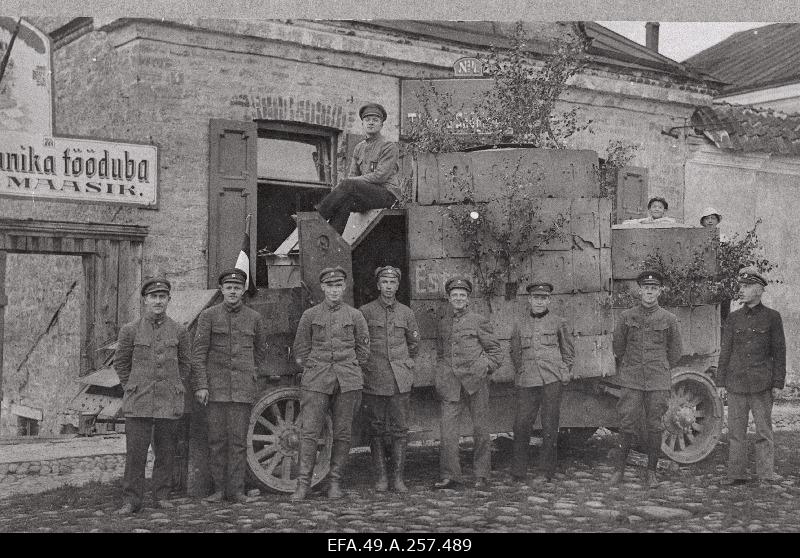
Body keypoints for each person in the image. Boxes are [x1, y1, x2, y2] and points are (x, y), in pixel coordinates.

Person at [291, 266, 370, 501]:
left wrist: (351, 367)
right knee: (309, 432)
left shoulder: (355, 316)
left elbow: (364, 350)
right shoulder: (310, 316)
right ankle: (303, 484)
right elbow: (300, 349)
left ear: (344, 288)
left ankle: (334, 482)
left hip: (348, 380)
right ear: (323, 288)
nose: (334, 291)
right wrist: (313, 368)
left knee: (343, 433)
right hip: (317, 379)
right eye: (330, 286)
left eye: (338, 286)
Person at [114, 277, 191, 514]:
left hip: (168, 401)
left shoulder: (179, 330)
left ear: (168, 300)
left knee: (166, 451)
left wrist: (174, 384)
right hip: (139, 401)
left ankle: (162, 496)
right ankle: (131, 500)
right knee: (135, 453)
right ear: (145, 300)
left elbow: (185, 365)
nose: (158, 301)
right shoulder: (130, 330)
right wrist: (133, 386)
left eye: (162, 297)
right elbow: (121, 363)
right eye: (153, 297)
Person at [192, 268, 267, 504]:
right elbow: (199, 354)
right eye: (228, 288)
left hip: (242, 392)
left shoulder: (254, 318)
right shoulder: (209, 316)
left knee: (238, 442)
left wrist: (252, 378)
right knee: (217, 441)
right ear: (222, 290)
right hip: (215, 391)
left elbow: (260, 353)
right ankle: (218, 490)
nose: (233, 291)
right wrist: (202, 385)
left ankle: (237, 491)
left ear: (243, 291)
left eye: (237, 288)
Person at [611, 270, 682, 488]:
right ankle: (619, 471)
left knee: (654, 425)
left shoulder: (669, 319)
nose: (649, 292)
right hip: (632, 378)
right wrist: (631, 365)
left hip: (657, 379)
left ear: (660, 291)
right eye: (646, 288)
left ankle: (651, 472)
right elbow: (618, 347)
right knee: (627, 422)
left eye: (654, 288)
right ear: (639, 290)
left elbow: (676, 352)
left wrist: (658, 366)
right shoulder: (627, 317)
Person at [717, 267, 786, 486]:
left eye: (746, 287)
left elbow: (779, 352)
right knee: (736, 432)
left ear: (758, 290)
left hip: (761, 384)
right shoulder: (733, 318)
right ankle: (736, 474)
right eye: (741, 287)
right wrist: (720, 382)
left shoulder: (772, 318)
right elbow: (725, 351)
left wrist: (778, 383)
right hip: (736, 383)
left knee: (763, 432)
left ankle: (765, 475)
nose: (742, 291)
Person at [434, 276, 503, 490]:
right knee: (447, 432)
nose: (458, 298)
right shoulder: (443, 323)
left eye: (462, 295)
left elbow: (495, 352)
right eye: (454, 295)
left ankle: (481, 475)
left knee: (481, 429)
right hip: (450, 384)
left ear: (468, 298)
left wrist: (484, 368)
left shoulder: (478, 320)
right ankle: (450, 475)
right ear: (449, 298)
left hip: (476, 382)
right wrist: (441, 375)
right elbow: (441, 353)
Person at [359, 266, 420, 493]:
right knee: (376, 429)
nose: (388, 286)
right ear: (378, 285)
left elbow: (414, 343)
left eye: (392, 282)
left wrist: (405, 365)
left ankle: (398, 479)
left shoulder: (406, 313)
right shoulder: (365, 312)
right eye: (384, 282)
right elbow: (361, 344)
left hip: (399, 381)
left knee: (400, 430)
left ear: (397, 285)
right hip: (374, 378)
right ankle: (381, 479)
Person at [509, 282, 575, 482]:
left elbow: (568, 351)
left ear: (548, 300)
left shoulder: (558, 322)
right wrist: (521, 371)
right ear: (529, 300)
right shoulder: (520, 323)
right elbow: (515, 351)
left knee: (549, 426)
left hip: (551, 380)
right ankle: (518, 471)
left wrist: (563, 372)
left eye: (542, 298)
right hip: (528, 380)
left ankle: (545, 471)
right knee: (521, 425)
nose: (539, 302)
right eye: (535, 298)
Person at [316, 102, 401, 234]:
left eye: (375, 120)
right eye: (367, 120)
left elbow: (380, 176)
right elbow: (352, 175)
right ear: (362, 123)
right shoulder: (359, 148)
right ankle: (329, 240)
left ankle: (317, 218)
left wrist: (351, 182)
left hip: (387, 195)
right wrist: (350, 182)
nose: (371, 123)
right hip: (368, 195)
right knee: (345, 203)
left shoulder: (389, 147)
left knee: (349, 184)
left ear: (381, 124)